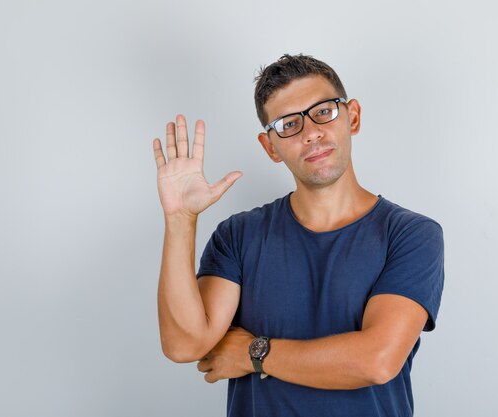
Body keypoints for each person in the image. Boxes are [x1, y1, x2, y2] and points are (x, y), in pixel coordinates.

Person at [152, 54, 444, 417]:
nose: (311, 133)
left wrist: (252, 354)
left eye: (323, 112)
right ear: (270, 146)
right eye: (288, 124)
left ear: (352, 116)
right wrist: (180, 219)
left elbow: (377, 360)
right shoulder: (239, 235)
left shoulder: (410, 234)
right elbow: (184, 344)